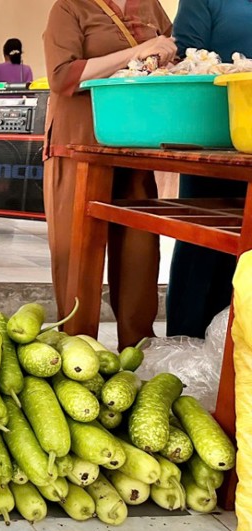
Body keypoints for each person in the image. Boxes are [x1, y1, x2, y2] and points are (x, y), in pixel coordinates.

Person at [43, 0, 175, 349]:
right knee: (77, 252)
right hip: (78, 143)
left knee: (140, 252)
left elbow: (172, 52)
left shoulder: (150, 6)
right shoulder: (70, 8)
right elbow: (62, 76)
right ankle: (76, 349)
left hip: (134, 143)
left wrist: (165, 57)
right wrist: (138, 52)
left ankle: (138, 348)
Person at [166, 0, 252, 337]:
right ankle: (184, 340)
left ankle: (231, 345)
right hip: (213, 136)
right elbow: (187, 57)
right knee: (202, 243)